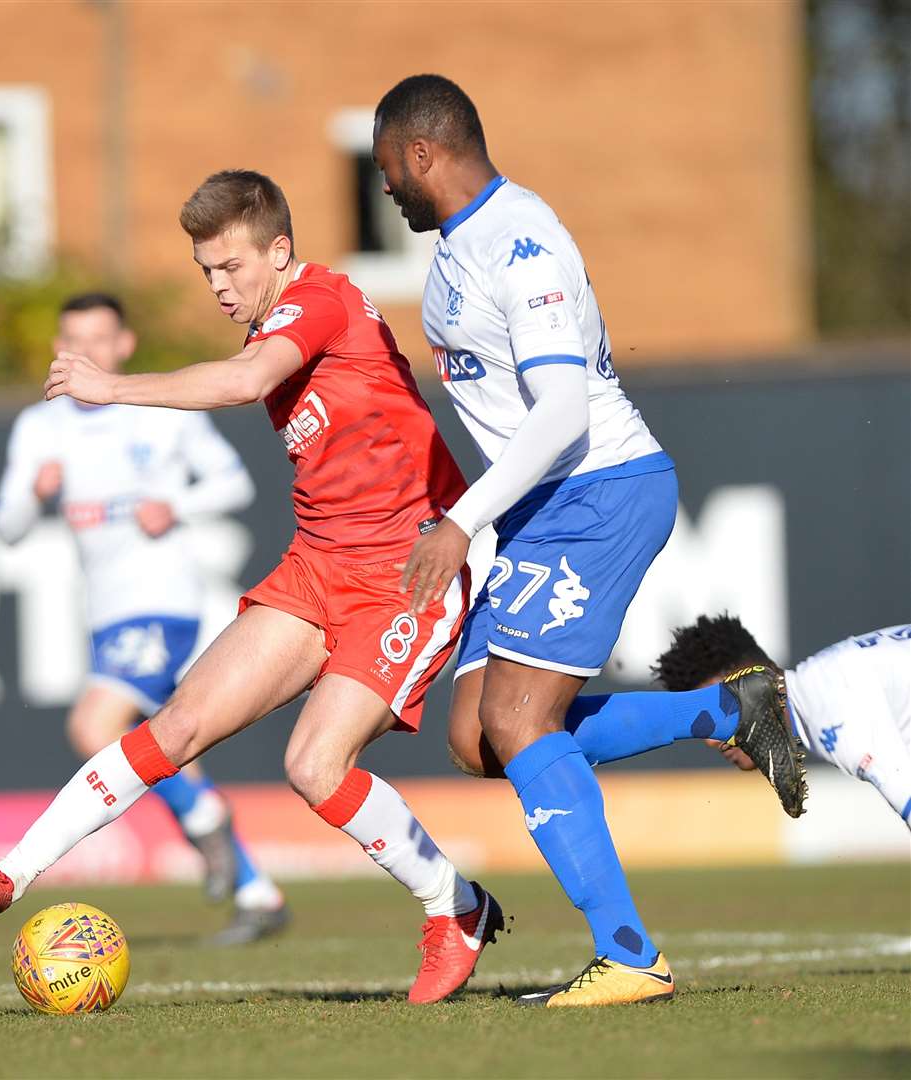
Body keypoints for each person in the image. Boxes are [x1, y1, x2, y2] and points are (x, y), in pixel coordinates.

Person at [0, 170, 504, 1005]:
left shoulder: (317, 300)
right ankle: (8, 874)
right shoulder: (274, 317)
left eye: (231, 267)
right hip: (318, 565)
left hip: (411, 568)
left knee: (314, 766)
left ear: (279, 251)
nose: (217, 286)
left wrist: (110, 389)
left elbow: (244, 383)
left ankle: (452, 907)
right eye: (205, 271)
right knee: (174, 728)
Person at [372, 74, 804, 1008]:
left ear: (421, 154)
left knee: (518, 723)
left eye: (384, 172)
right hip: (546, 507)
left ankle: (629, 955)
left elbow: (563, 411)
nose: (384, 192)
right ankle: (729, 713)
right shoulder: (456, 246)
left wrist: (460, 520)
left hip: (598, 489)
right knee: (477, 738)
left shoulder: (520, 240)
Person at [0, 291, 289, 945]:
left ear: (123, 346)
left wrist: (174, 504)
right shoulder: (40, 427)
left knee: (95, 723)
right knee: (160, 744)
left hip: (165, 601)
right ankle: (254, 889)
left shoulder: (158, 412)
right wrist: (33, 497)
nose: (83, 352)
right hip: (105, 614)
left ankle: (204, 817)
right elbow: (4, 528)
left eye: (97, 340)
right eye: (71, 340)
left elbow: (233, 482)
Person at [651, 616, 910, 828]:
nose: (709, 739)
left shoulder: (830, 708)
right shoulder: (823, 681)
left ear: (757, 680)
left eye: (717, 712)